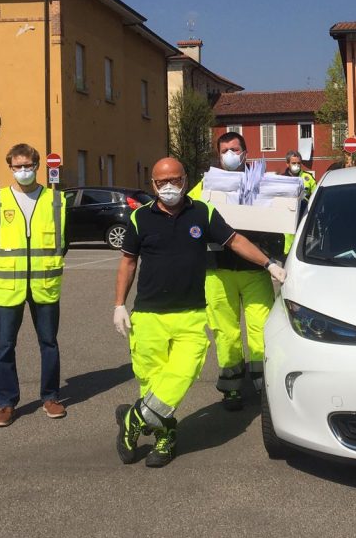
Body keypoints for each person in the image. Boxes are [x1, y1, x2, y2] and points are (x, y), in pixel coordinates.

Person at [113, 157, 286, 467]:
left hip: (190, 314)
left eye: (175, 180)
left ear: (185, 179)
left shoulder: (202, 213)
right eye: (161, 182)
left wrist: (268, 263)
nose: (169, 187)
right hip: (148, 315)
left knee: (182, 374)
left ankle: (132, 418)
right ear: (153, 185)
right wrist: (118, 305)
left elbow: (235, 241)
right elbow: (127, 262)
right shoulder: (140, 218)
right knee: (153, 384)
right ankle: (167, 436)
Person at [188, 132, 285, 410]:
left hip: (255, 267)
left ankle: (263, 382)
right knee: (225, 331)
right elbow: (189, 209)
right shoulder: (207, 185)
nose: (230, 154)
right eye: (224, 150)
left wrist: (281, 258)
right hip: (217, 270)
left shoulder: (263, 182)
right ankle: (231, 386)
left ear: (245, 153)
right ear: (218, 156)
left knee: (262, 327)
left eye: (235, 149)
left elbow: (283, 214)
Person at [0, 143, 67, 428]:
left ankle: (51, 397)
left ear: (37, 166)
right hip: (9, 287)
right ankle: (6, 404)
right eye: (17, 166)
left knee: (49, 343)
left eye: (28, 165)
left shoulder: (56, 200)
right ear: (10, 167)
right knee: (5, 346)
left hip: (44, 284)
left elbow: (63, 243)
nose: (23, 171)